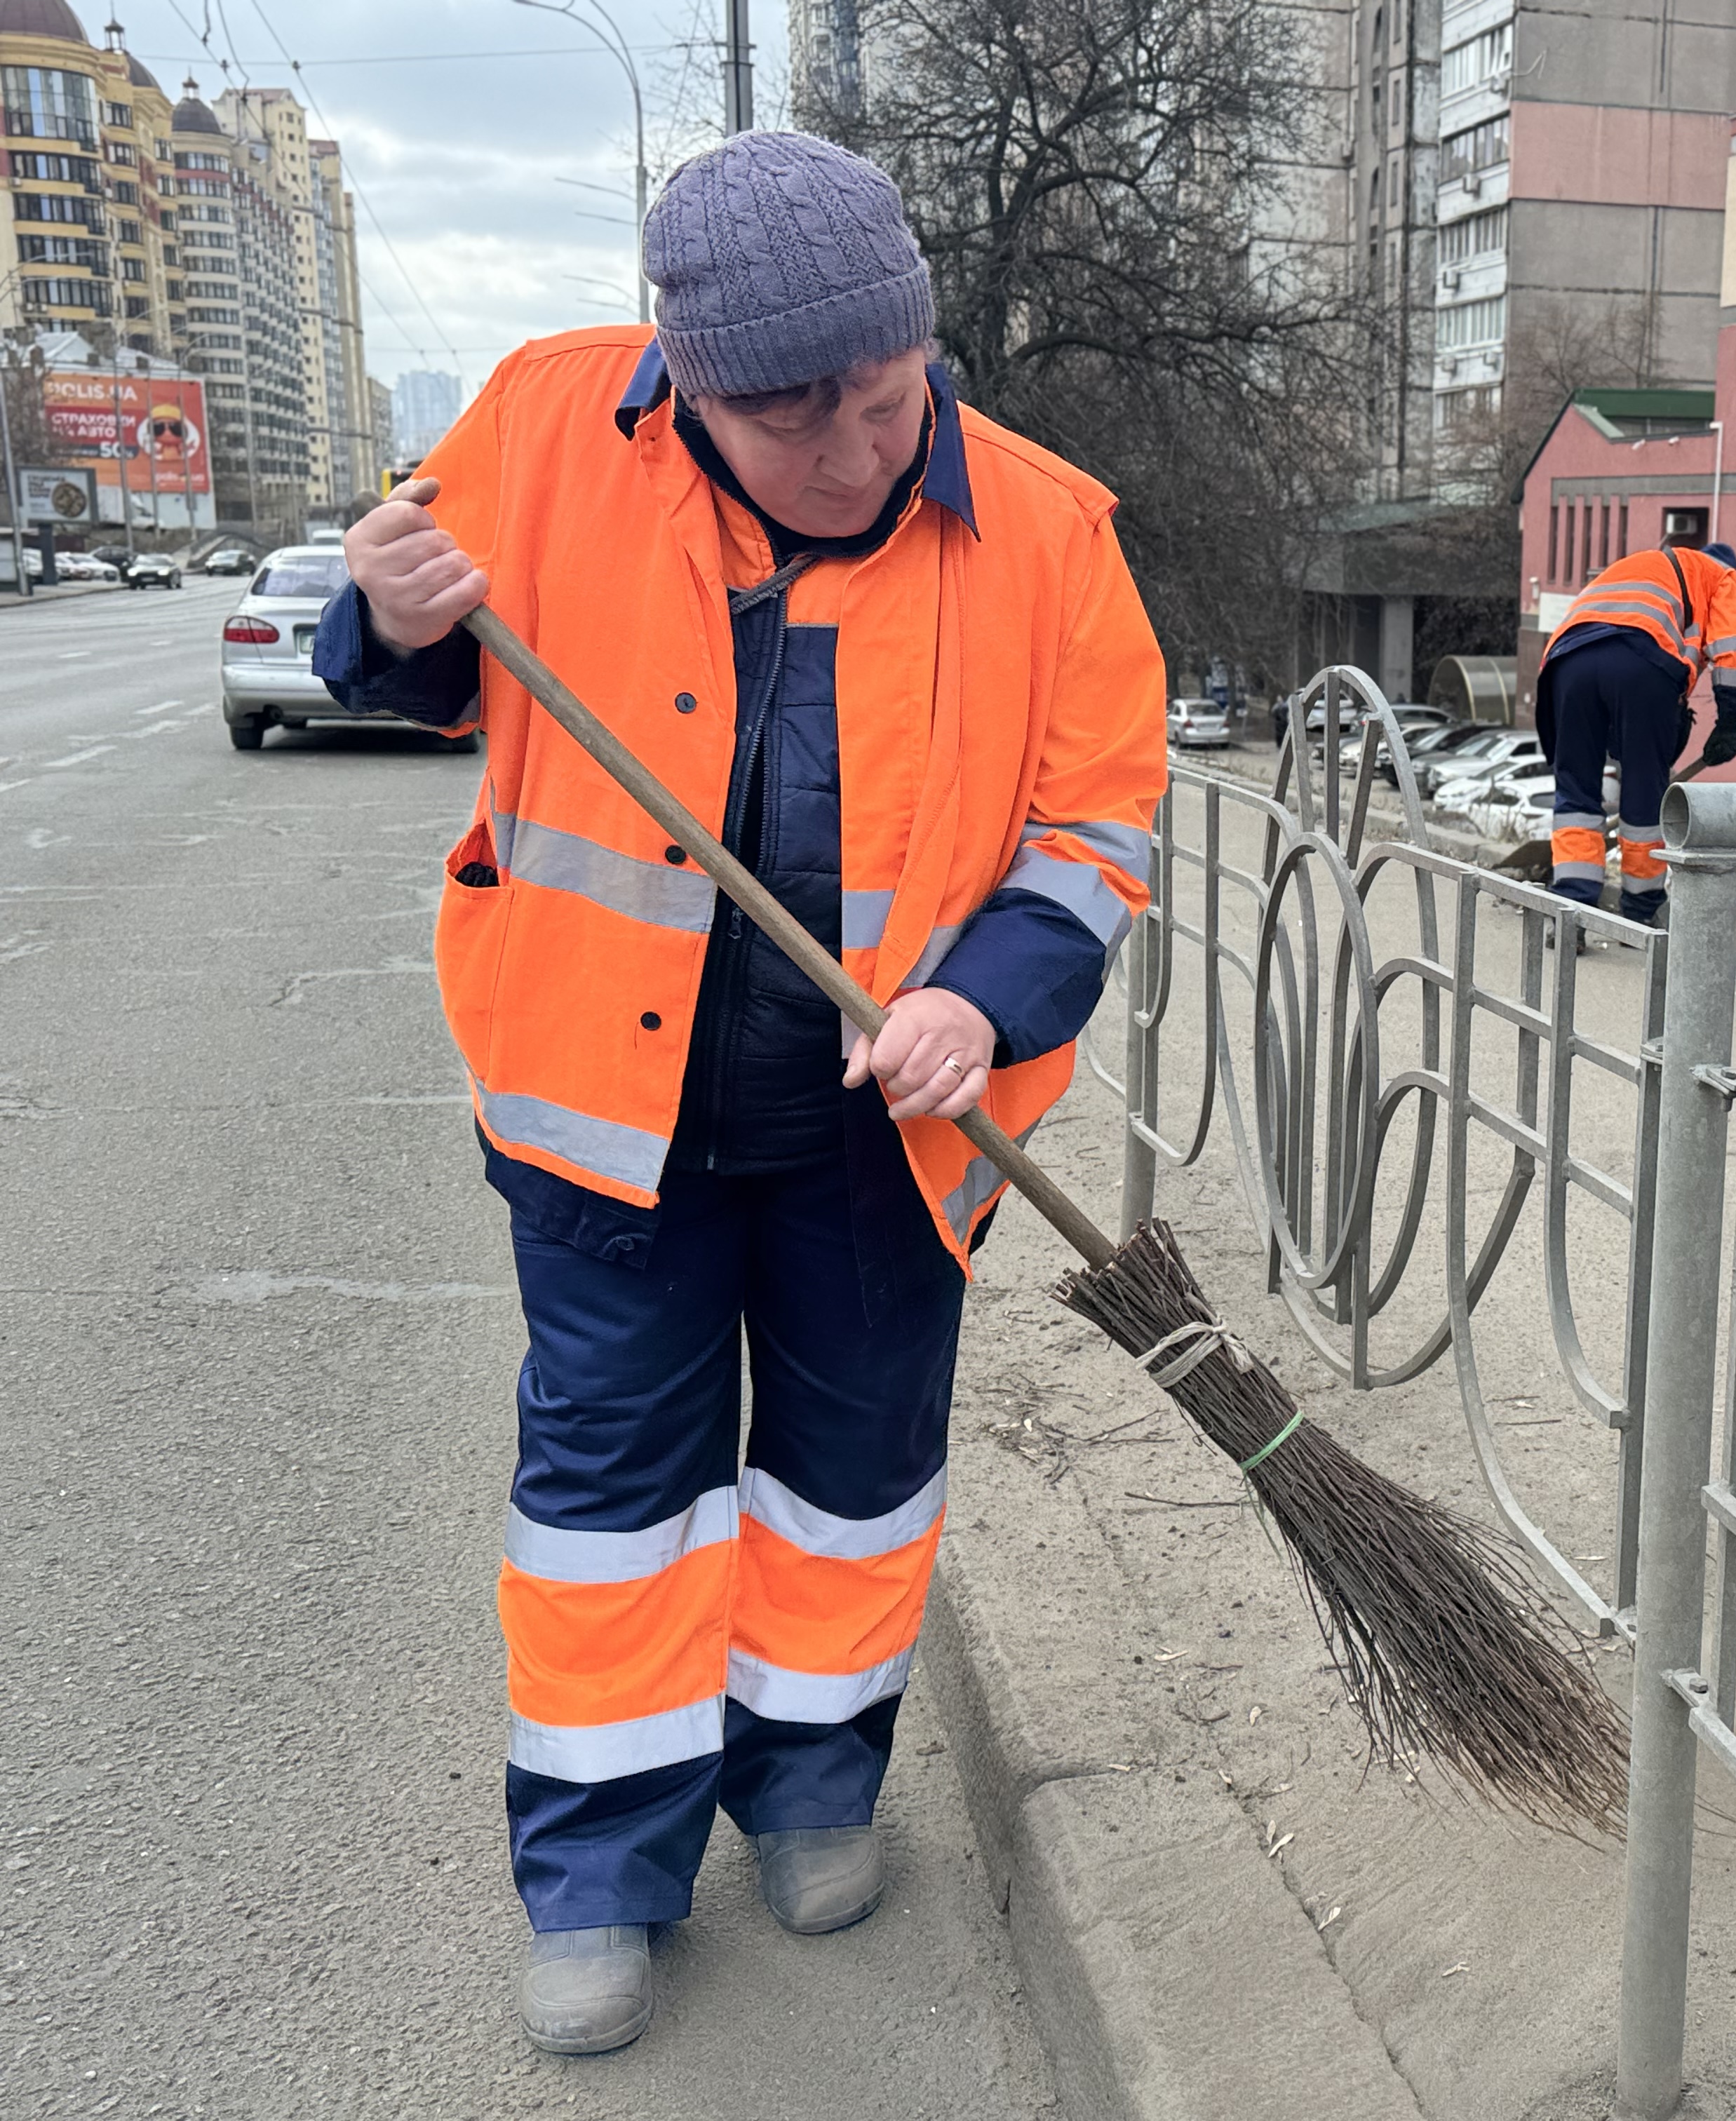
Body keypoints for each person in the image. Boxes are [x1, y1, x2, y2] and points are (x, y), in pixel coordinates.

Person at [312, 133, 1166, 2055]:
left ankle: (809, 1787)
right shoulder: (542, 429)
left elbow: (1098, 825)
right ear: (683, 387)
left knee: (853, 1486)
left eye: (886, 401)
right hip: (600, 1122)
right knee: (615, 1499)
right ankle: (603, 1864)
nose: (860, 458)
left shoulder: (1042, 528)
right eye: (797, 430)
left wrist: (981, 995)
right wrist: (390, 609)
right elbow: (418, 673)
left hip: (890, 1135)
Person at [1534, 535, 1736, 924]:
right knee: (1644, 794)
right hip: (1639, 662)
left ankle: (1570, 909)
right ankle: (1639, 913)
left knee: (1576, 791)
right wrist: (1729, 723)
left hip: (1566, 661)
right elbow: (1734, 650)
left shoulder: (1651, 567)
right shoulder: (1722, 575)